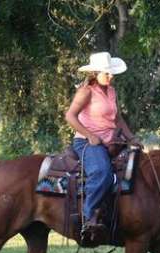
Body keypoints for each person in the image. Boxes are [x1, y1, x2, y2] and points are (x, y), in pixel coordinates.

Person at [65, 52, 141, 232]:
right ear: (95, 73)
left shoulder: (112, 91)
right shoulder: (86, 92)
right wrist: (89, 135)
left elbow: (118, 118)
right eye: (107, 73)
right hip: (88, 142)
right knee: (102, 173)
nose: (111, 75)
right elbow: (70, 116)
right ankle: (88, 216)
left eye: (111, 72)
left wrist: (132, 138)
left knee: (138, 167)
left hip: (112, 141)